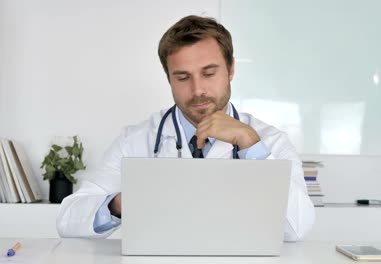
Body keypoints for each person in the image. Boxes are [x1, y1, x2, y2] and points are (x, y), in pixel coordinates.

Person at [56, 15, 315, 241]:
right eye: (182, 77)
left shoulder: (270, 140)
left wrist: (250, 144)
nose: (197, 90)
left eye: (209, 73)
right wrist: (122, 203)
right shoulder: (135, 140)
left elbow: (298, 228)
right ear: (168, 77)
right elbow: (68, 219)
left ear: (231, 69)